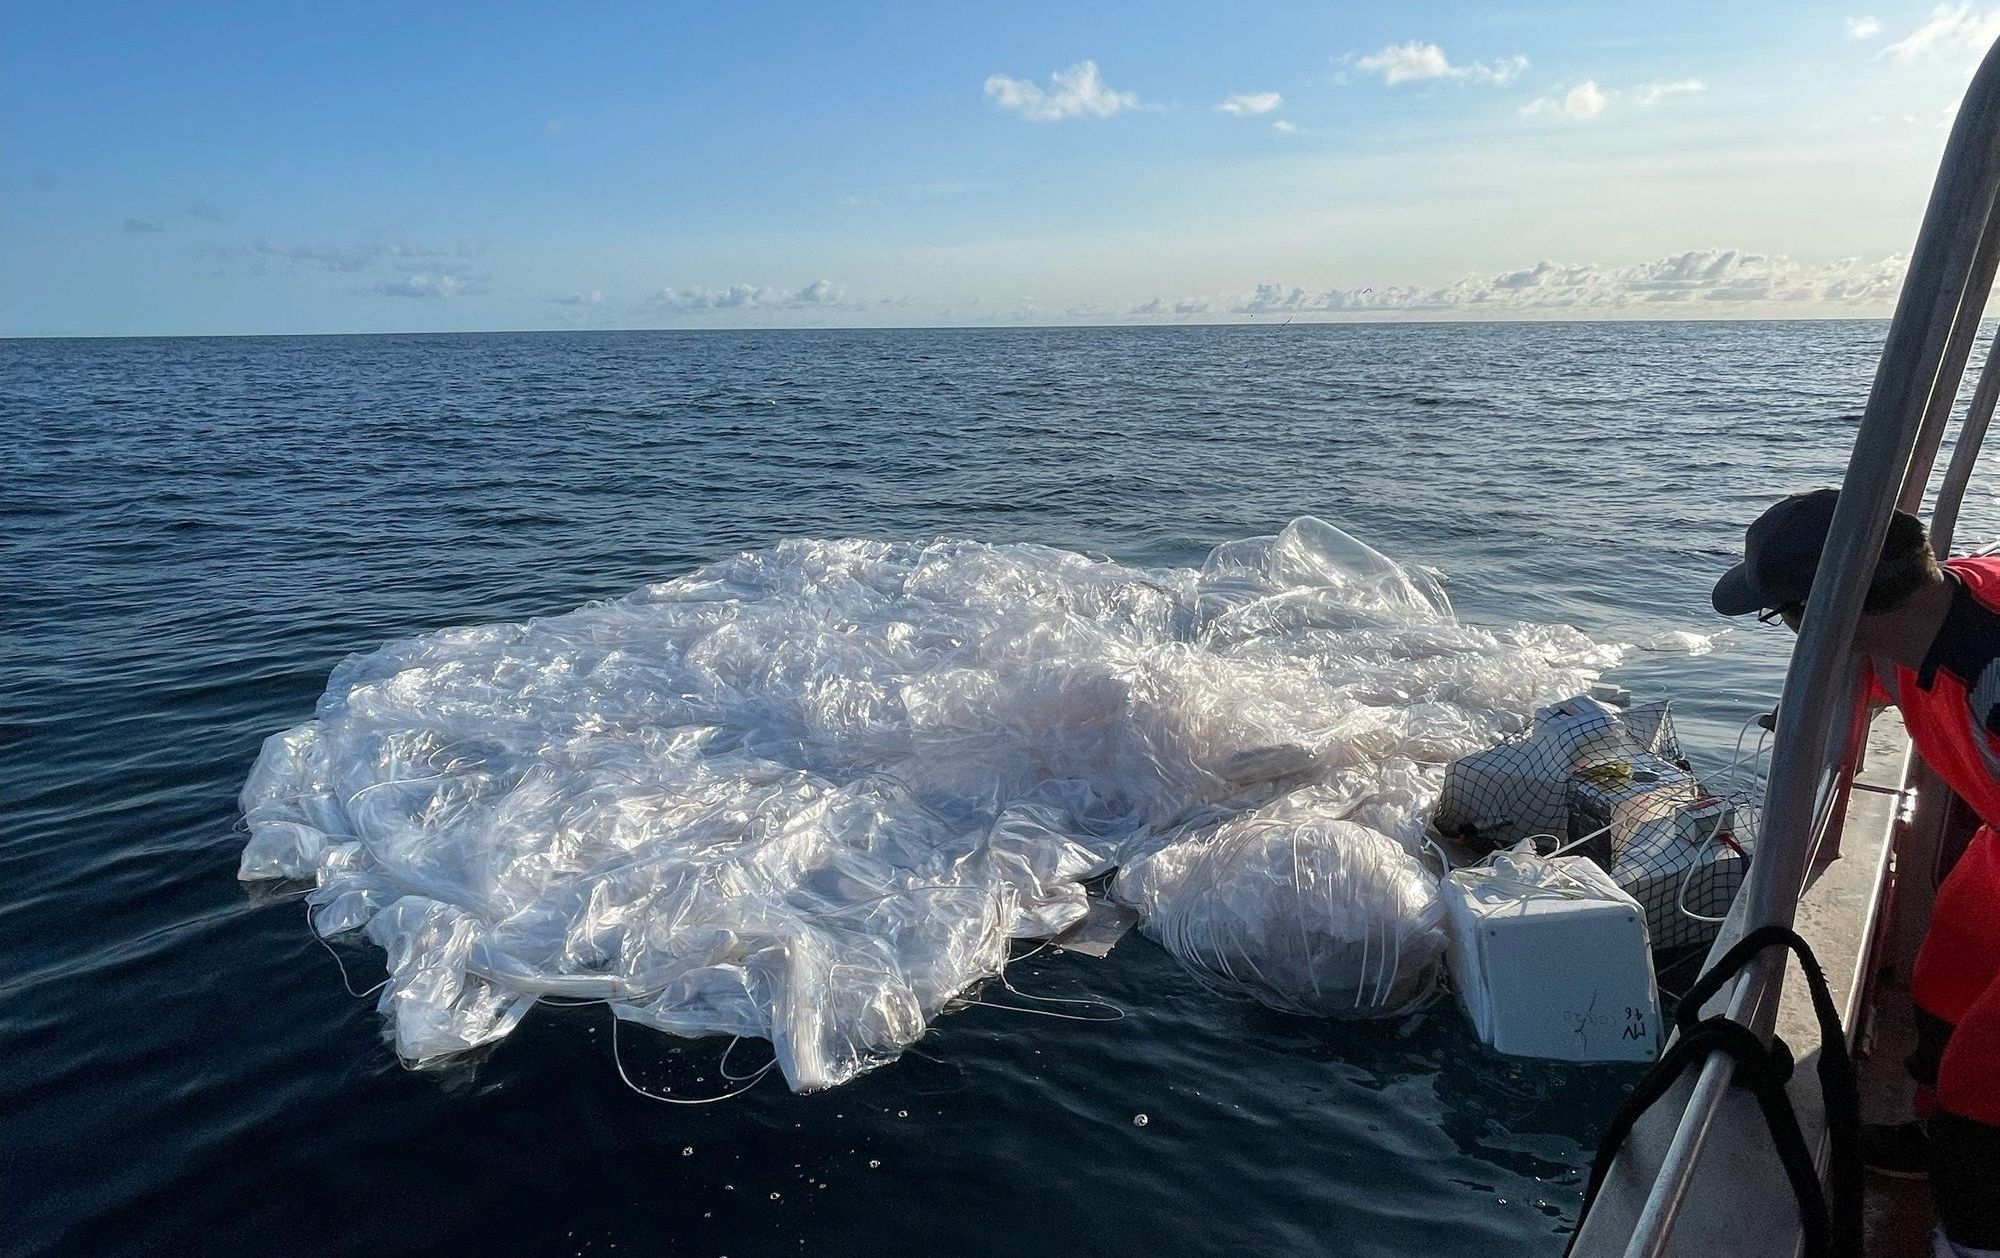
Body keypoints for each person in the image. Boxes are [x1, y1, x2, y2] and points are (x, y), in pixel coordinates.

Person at [1714, 488, 2000, 1258]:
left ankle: (1974, 1237)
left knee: (1984, 1076)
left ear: (1825, 611)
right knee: (1942, 982)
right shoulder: (1932, 618)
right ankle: (1938, 1144)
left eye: (1785, 618)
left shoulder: (1992, 679)